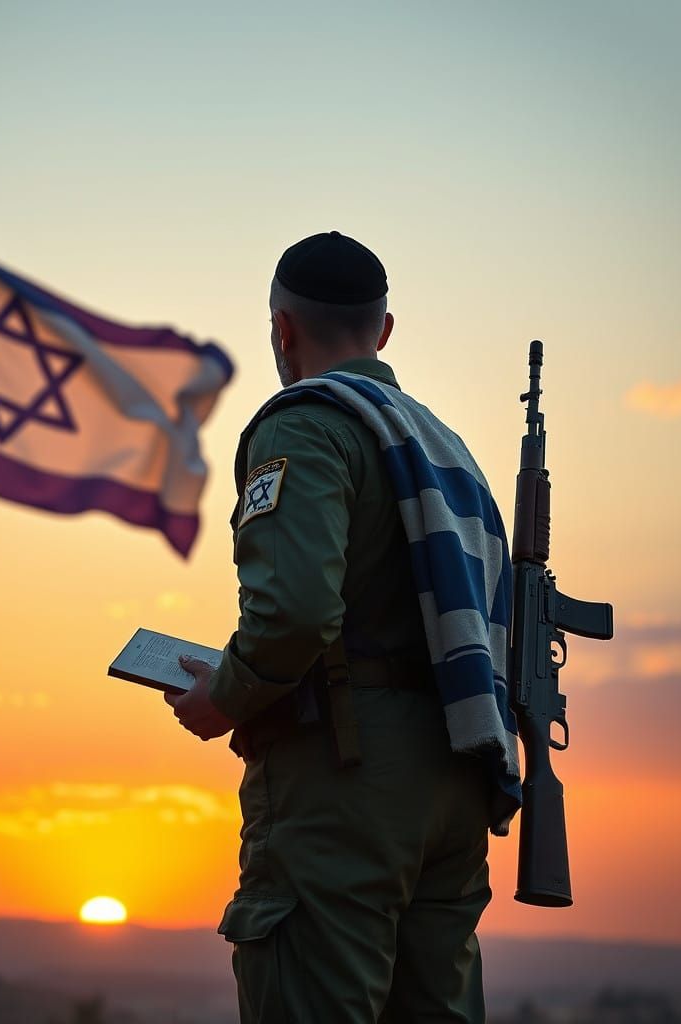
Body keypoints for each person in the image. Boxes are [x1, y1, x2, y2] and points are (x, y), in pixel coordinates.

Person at [165, 232, 497, 1023]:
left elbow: (296, 612)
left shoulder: (307, 426)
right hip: (454, 774)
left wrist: (226, 696)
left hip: (345, 779)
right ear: (384, 331)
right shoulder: (443, 446)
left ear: (283, 329)